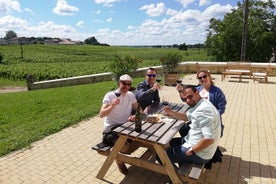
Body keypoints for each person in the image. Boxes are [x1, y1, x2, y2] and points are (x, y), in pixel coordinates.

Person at [164, 85, 221, 166]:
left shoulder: (204, 110)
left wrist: (191, 151)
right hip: (191, 140)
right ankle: (179, 161)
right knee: (169, 143)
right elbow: (187, 116)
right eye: (184, 99)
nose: (188, 101)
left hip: (200, 153)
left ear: (197, 92)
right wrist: (171, 112)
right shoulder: (201, 103)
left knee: (162, 155)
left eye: (190, 96)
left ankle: (176, 177)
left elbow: (209, 139)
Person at [176, 69, 227, 137]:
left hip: (209, 122)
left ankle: (202, 145)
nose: (202, 79)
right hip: (197, 119)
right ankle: (191, 143)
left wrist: (209, 116)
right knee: (181, 128)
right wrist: (180, 91)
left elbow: (221, 109)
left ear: (209, 77)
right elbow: (185, 99)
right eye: (200, 78)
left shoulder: (217, 92)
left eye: (204, 76)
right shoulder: (197, 89)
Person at [99, 74, 138, 148]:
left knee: (140, 136)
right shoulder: (110, 95)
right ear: (119, 83)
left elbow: (139, 109)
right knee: (121, 144)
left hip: (126, 126)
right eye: (124, 83)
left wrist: (135, 115)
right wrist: (112, 105)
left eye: (128, 84)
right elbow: (101, 114)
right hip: (112, 127)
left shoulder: (131, 95)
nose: (126, 86)